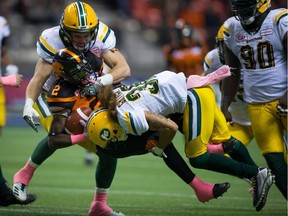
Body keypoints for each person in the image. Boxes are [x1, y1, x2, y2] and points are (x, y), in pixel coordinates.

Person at [46, 47, 230, 205]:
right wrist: (85, 135)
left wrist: (105, 86)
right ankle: (200, 185)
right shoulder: (61, 93)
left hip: (120, 117)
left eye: (84, 66)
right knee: (158, 139)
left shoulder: (93, 69)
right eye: (78, 70)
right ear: (65, 73)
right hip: (110, 135)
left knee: (168, 120)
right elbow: (54, 138)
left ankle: (204, 157)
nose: (85, 72)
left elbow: (121, 77)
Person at [86, 68, 274, 212]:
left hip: (192, 96)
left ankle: (255, 173)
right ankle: (256, 179)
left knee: (197, 158)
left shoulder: (127, 121)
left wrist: (160, 148)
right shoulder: (112, 100)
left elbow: (171, 128)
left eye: (111, 140)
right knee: (225, 140)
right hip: (197, 87)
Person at [12, 2, 130, 216]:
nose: (82, 39)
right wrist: (29, 104)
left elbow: (123, 68)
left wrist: (101, 81)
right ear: (65, 31)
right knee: (59, 133)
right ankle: (23, 175)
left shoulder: (102, 36)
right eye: (76, 34)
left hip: (88, 91)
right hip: (58, 94)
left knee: (110, 147)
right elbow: (40, 77)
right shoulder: (52, 40)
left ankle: (99, 205)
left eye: (86, 34)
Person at [220, 0, 287, 201]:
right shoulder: (231, 27)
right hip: (257, 105)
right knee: (274, 159)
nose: (241, 8)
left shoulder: (279, 20)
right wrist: (224, 105)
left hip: (284, 98)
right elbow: (232, 72)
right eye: (239, 4)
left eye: (246, 3)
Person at [0, 15, 36, 207]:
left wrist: (9, 66)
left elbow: (3, 51)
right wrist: (6, 80)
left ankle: (1, 191)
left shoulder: (2, 23)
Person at [204, 24, 254, 149]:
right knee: (223, 155)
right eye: (225, 44)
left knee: (277, 154)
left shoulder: (252, 56)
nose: (228, 49)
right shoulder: (212, 59)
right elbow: (205, 84)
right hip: (237, 120)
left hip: (260, 114)